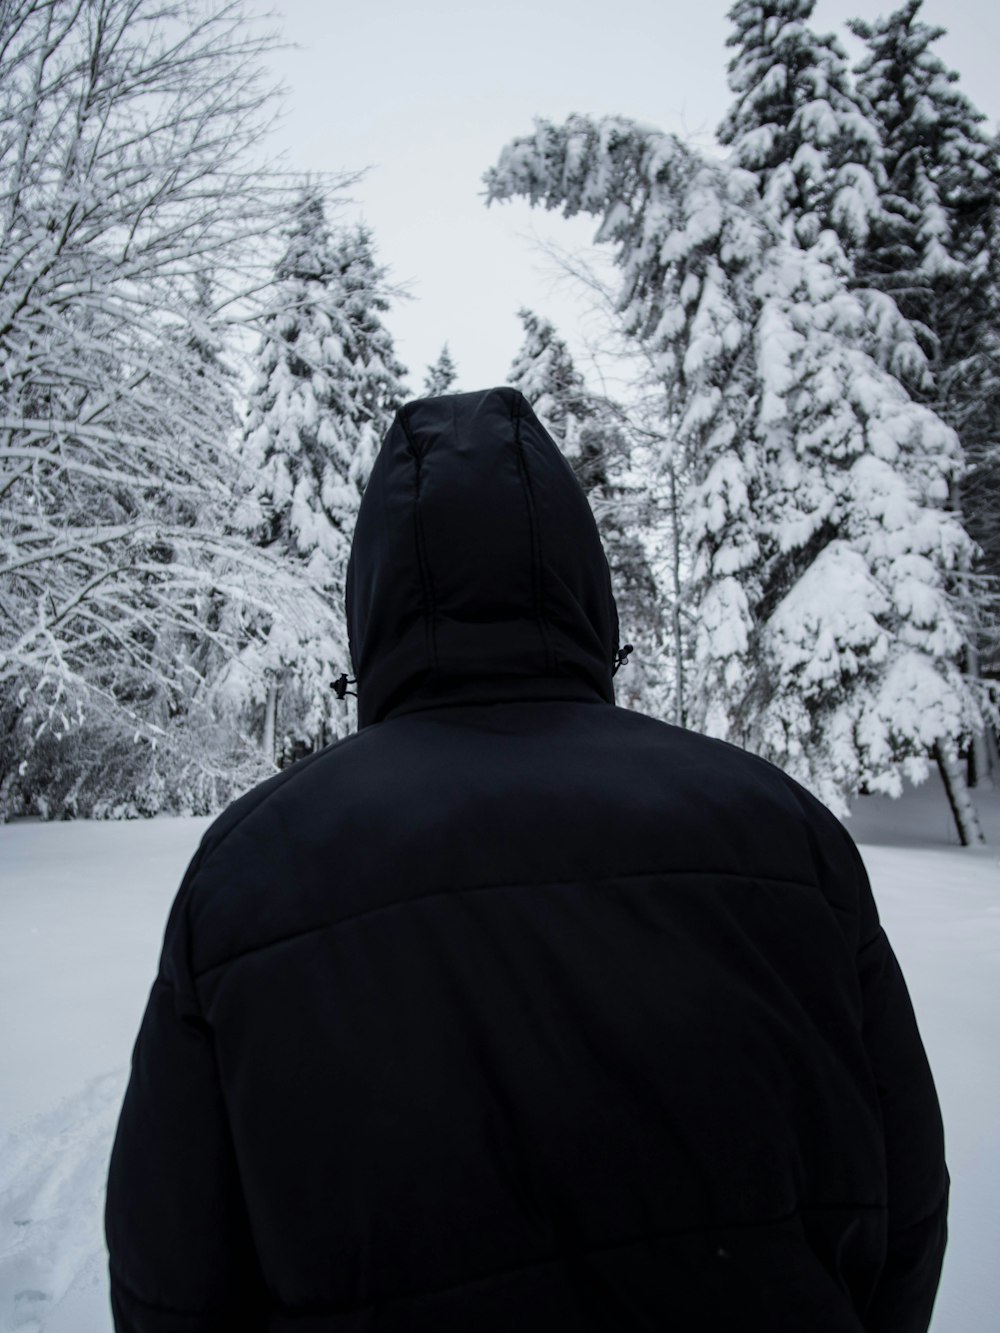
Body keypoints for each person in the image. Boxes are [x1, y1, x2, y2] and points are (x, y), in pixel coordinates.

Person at [105, 385, 948, 1332]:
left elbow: (168, 1277)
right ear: (583, 585)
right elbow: (905, 1206)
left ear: (371, 606)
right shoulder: (785, 832)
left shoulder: (249, 871)